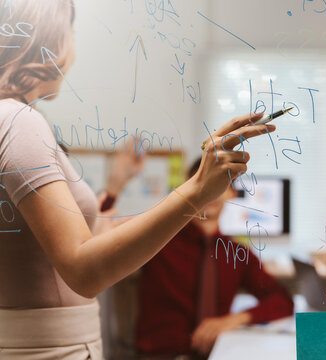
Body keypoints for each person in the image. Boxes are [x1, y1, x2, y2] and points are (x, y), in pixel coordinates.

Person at [0, 1, 274, 358]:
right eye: (72, 35)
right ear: (50, 40)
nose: (73, 52)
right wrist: (195, 191)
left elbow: (63, 242)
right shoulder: (18, 120)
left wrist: (115, 186)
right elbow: (83, 271)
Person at [135, 157, 294, 359]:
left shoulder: (237, 253)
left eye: (218, 185)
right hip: (163, 355)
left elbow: (282, 300)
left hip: (218, 353)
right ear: (186, 191)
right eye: (201, 184)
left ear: (232, 193)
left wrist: (234, 319)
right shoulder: (157, 241)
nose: (209, 193)